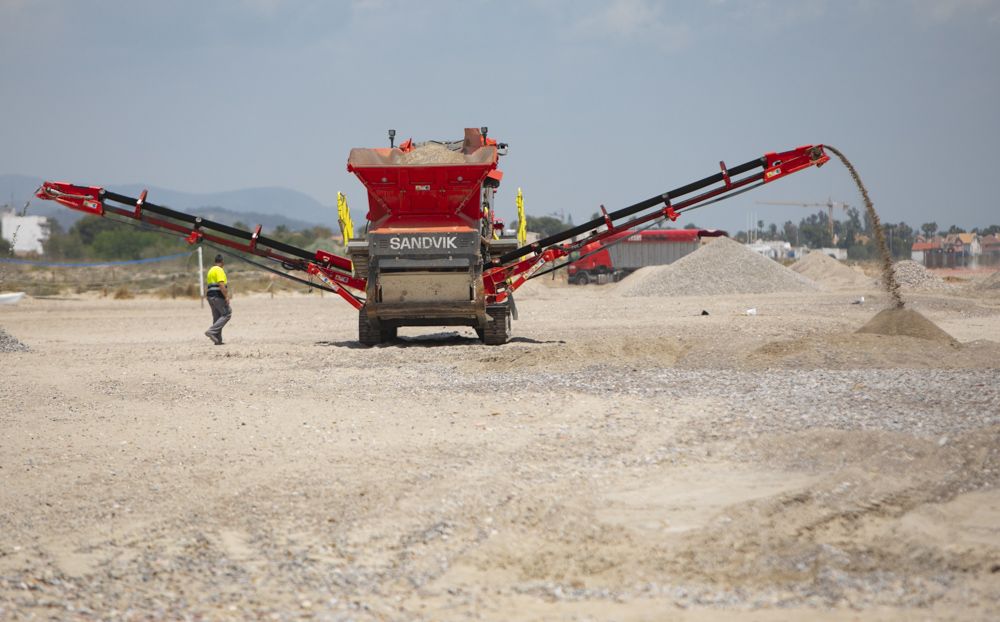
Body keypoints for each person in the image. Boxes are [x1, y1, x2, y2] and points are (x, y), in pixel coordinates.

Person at [204, 254, 231, 345]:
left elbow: (208, 285)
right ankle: (211, 331)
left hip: (210, 296)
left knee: (217, 317)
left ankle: (217, 340)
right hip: (218, 296)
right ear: (222, 262)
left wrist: (207, 296)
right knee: (227, 313)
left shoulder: (210, 270)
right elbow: (221, 285)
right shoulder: (219, 270)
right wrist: (226, 296)